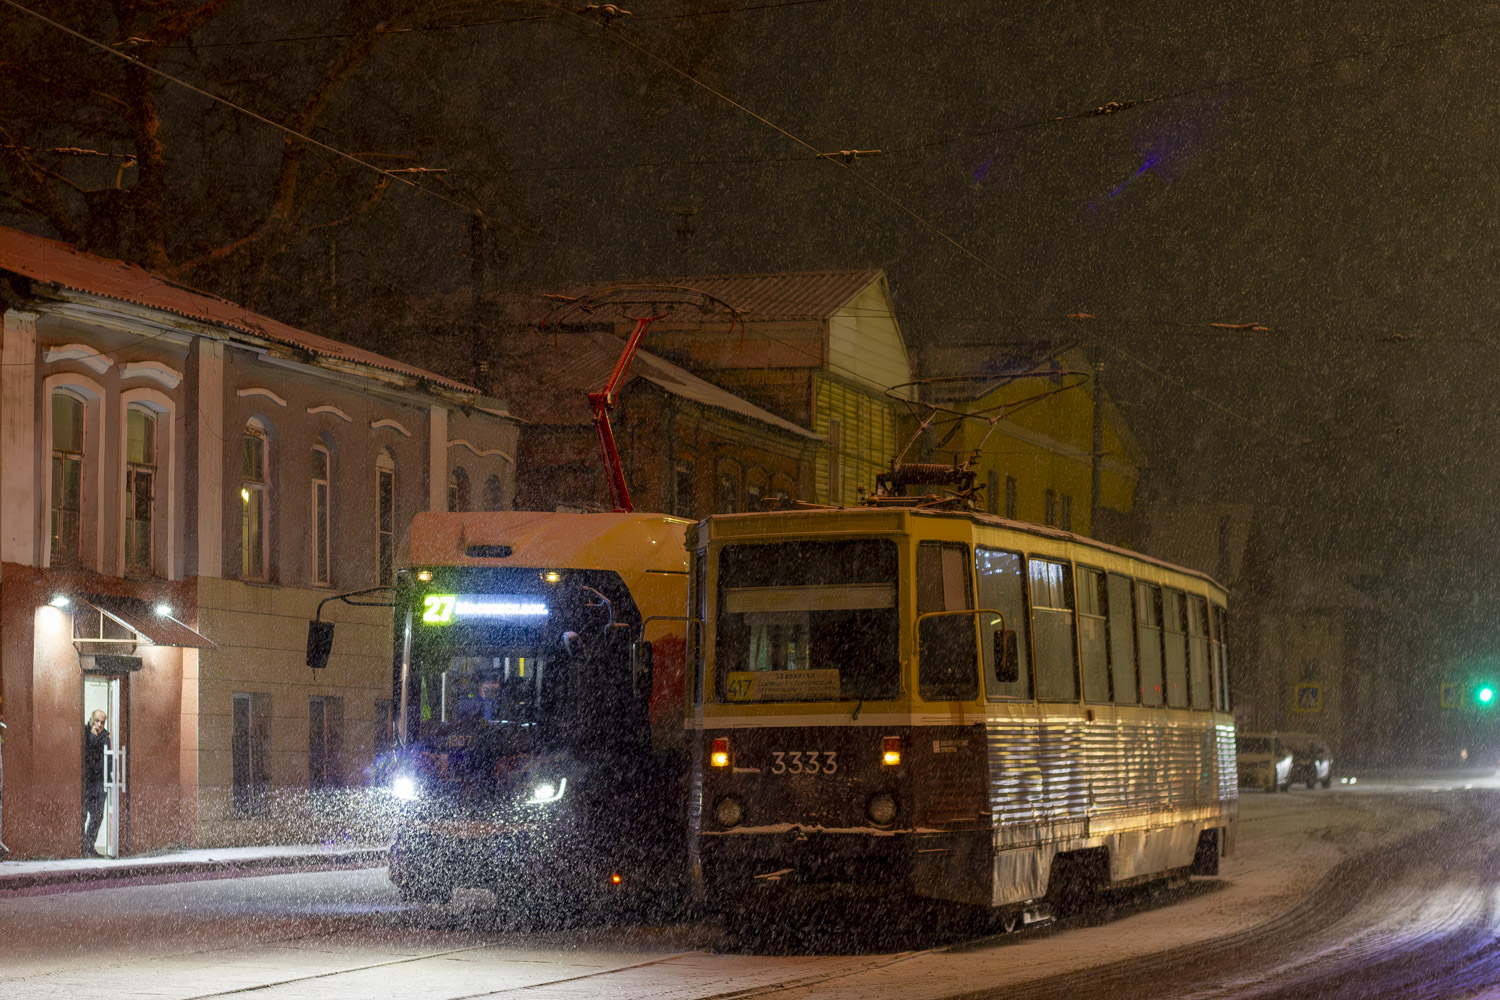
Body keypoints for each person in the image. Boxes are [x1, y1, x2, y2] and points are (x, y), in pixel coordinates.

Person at [82, 710, 110, 858]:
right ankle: (80, 848)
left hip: (99, 781)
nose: (99, 724)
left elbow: (106, 758)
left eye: (102, 722)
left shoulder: (105, 736)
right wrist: (92, 737)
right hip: (85, 781)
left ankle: (88, 846)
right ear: (91, 719)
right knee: (82, 814)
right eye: (97, 721)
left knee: (98, 815)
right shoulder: (84, 733)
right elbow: (87, 753)